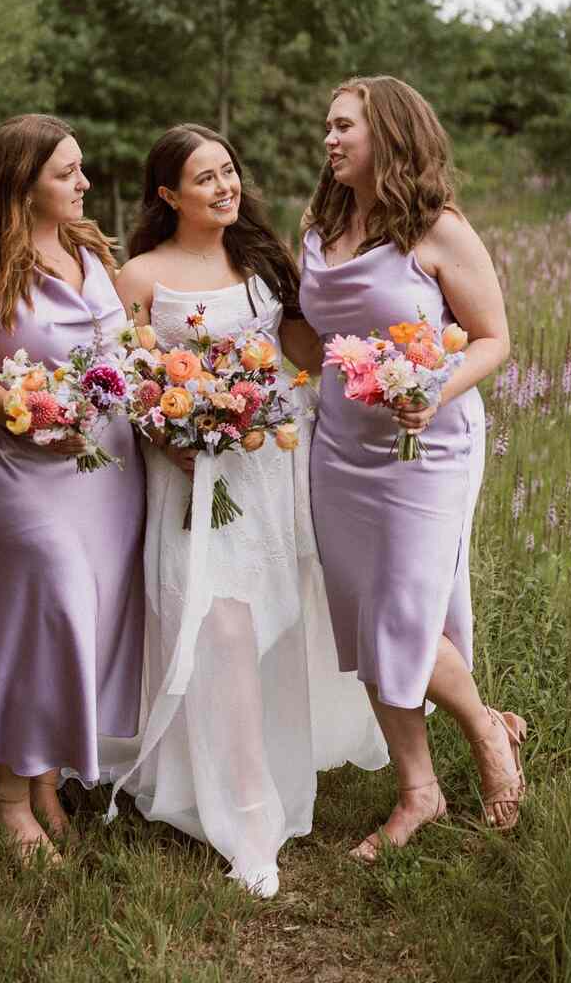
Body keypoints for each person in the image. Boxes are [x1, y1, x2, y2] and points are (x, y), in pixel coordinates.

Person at [108, 124, 386, 899]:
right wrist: (170, 434)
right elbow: (128, 381)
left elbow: (303, 355)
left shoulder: (262, 261)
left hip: (267, 473)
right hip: (189, 481)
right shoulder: (138, 277)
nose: (225, 187)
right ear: (168, 196)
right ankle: (246, 818)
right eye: (205, 178)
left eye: (228, 170)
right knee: (218, 626)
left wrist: (384, 360)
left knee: (275, 621)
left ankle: (270, 771)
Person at [299, 75, 525, 862]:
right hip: (339, 446)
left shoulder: (439, 230)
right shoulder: (321, 225)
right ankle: (417, 791)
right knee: (365, 617)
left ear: (388, 136)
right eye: (326, 128)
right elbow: (308, 336)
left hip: (426, 448)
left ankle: (486, 733)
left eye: (342, 128)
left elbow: (492, 338)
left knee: (402, 612)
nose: (328, 140)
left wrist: (431, 389)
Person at [0, 114, 145, 863]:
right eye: (67, 173)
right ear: (23, 181)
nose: (83, 183)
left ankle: (46, 778)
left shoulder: (88, 246)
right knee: (46, 611)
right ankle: (6, 792)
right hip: (26, 470)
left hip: (108, 471)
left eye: (80, 169)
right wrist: (26, 410)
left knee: (81, 623)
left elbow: (130, 348)